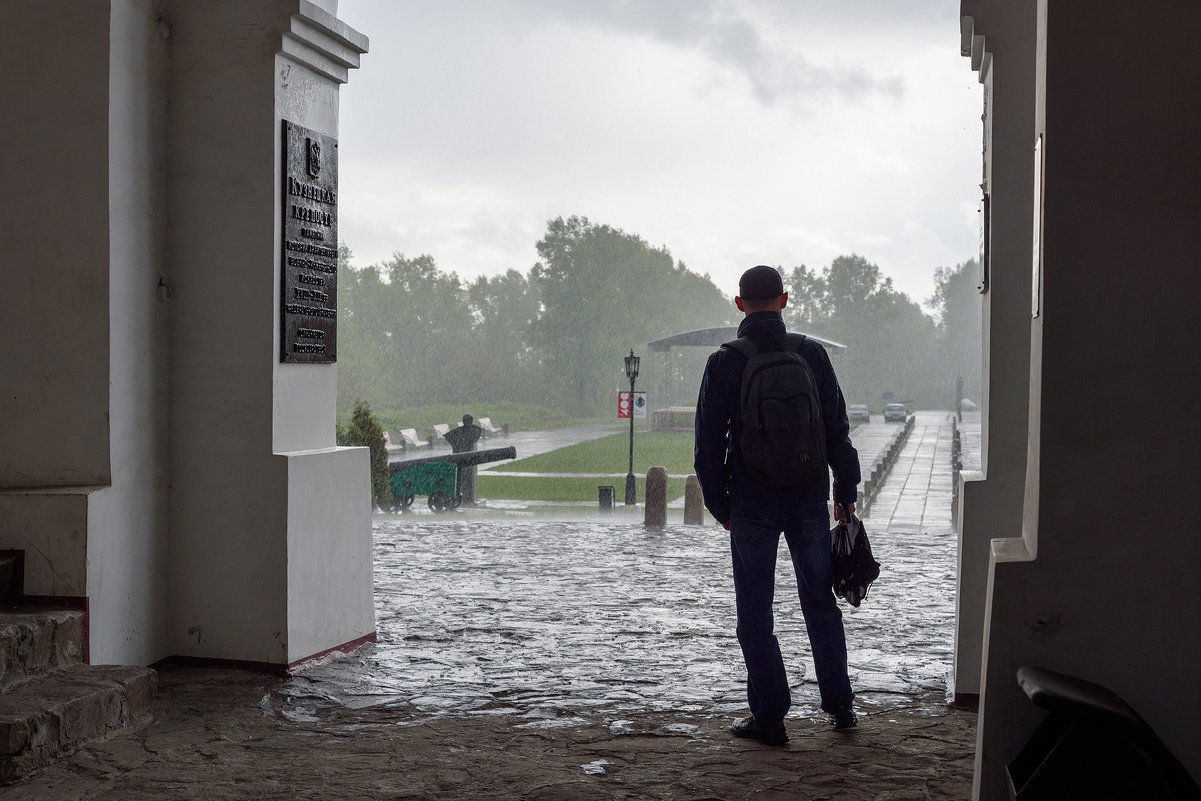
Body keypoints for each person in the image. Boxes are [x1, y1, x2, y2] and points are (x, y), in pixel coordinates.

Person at [694, 264, 861, 746]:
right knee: (820, 604)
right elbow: (836, 429)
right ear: (784, 301)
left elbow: (708, 445)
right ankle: (840, 705)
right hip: (809, 496)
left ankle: (769, 716)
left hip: (751, 501)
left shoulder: (725, 361)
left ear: (740, 304)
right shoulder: (811, 354)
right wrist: (844, 493)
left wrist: (720, 505)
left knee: (755, 611)